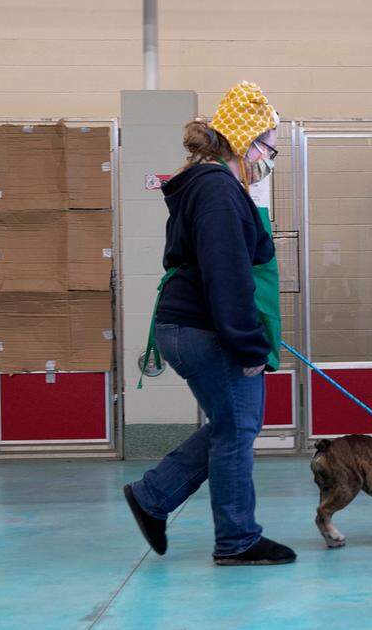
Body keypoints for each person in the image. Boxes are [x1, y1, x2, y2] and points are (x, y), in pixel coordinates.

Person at [123, 82, 294, 566]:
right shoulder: (218, 189)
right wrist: (249, 345)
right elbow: (226, 273)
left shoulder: (210, 184)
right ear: (245, 141)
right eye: (268, 146)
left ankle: (153, 495)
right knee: (237, 429)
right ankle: (237, 540)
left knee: (232, 424)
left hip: (187, 325)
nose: (269, 157)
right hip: (205, 328)